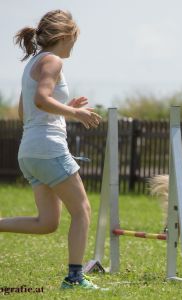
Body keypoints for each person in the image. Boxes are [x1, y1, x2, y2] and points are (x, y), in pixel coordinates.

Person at [0, 10, 102, 289]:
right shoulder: (53, 61)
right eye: (74, 40)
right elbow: (42, 99)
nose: (74, 46)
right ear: (66, 36)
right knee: (82, 210)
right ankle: (75, 278)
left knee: (47, 223)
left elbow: (26, 110)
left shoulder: (32, 63)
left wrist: (69, 109)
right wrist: (74, 113)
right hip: (48, 148)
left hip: (30, 152)